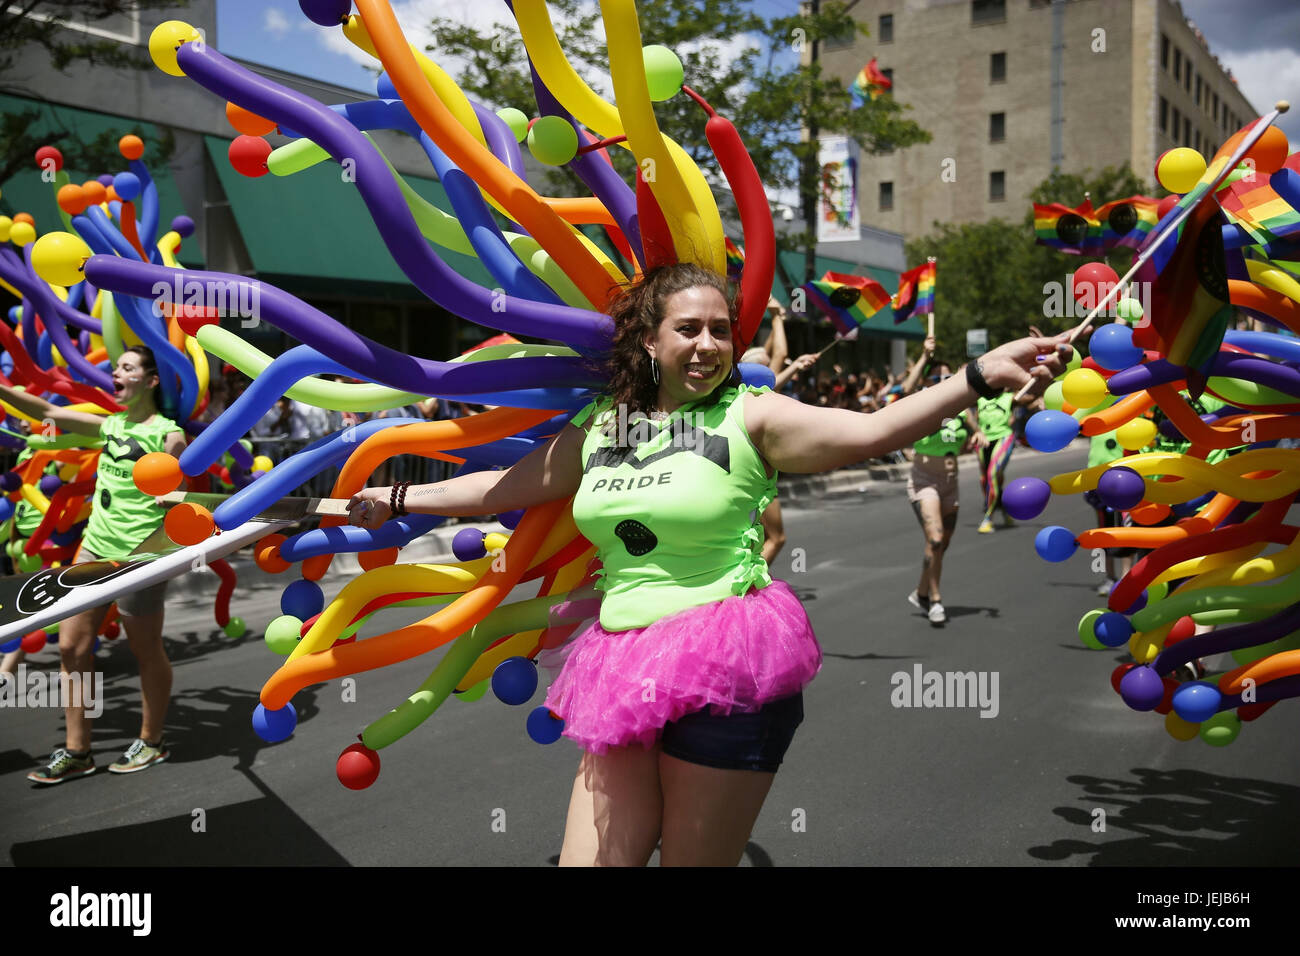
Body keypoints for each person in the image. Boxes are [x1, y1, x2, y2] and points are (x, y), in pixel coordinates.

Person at [345, 263, 1068, 865]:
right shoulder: (604, 425)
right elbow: (504, 487)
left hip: (730, 664)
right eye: (688, 329)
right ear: (649, 342)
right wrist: (398, 494)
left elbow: (876, 430)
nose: (707, 344)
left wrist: (979, 373)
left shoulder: (751, 415)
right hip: (623, 666)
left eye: (720, 330)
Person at [0, 347, 186, 784]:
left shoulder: (168, 432)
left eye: (126, 368)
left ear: (151, 381)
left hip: (141, 556)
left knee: (145, 648)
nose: (115, 373)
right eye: (115, 367)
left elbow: (183, 469)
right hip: (93, 550)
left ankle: (152, 740)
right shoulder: (110, 425)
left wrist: (172, 485)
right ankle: (78, 751)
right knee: (71, 647)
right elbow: (48, 411)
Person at [901, 337, 986, 625]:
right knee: (935, 540)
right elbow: (905, 390)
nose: (943, 379)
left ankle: (921, 592)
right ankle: (935, 600)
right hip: (924, 479)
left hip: (951, 480)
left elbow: (975, 430)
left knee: (941, 545)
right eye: (937, 376)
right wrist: (925, 357)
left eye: (947, 376)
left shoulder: (961, 409)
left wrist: (978, 436)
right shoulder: (923, 403)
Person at [975, 388, 1032, 534]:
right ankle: (1004, 508)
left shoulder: (1010, 397)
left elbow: (1029, 397)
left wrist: (1040, 392)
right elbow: (973, 417)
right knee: (986, 480)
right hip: (983, 440)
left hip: (1003, 437)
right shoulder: (980, 398)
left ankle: (988, 518)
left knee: (992, 474)